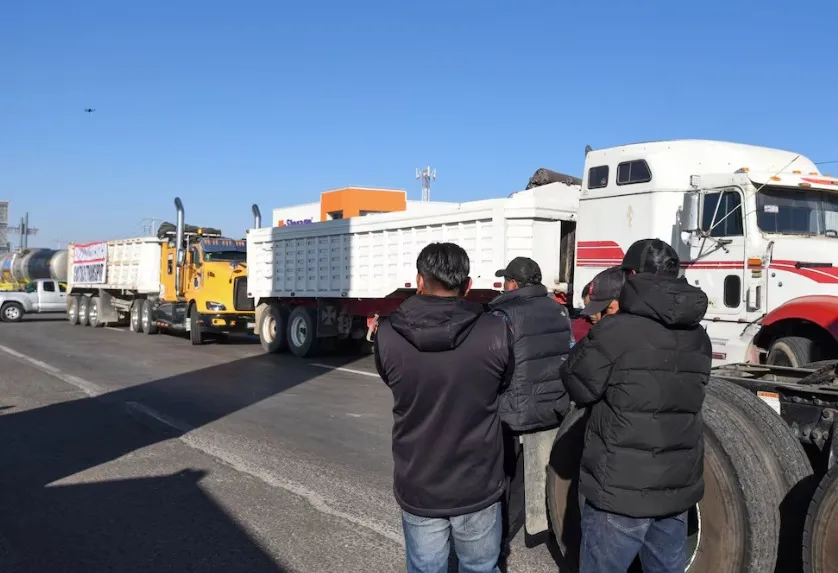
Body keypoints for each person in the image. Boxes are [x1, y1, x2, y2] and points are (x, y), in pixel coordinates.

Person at [560, 238, 712, 573]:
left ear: (630, 275)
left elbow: (578, 384)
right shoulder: (699, 336)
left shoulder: (617, 331)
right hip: (676, 487)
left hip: (620, 489)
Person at [374, 242, 512, 573]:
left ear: (419, 281)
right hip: (477, 480)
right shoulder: (495, 330)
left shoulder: (388, 333)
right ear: (467, 285)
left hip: (419, 479)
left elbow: (392, 381)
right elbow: (503, 384)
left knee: (425, 568)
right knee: (480, 567)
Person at [487, 256, 573, 562]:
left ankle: (499, 537)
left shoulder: (502, 315)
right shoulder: (559, 310)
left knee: (503, 476)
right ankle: (531, 526)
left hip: (512, 410)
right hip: (552, 407)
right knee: (532, 472)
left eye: (505, 280)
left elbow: (494, 365)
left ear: (512, 283)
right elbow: (567, 352)